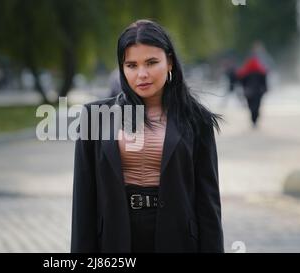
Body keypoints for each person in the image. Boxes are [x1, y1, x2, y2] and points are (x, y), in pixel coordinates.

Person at [71, 19, 224, 253]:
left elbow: (208, 203)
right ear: (121, 68)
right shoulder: (94, 116)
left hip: (178, 239)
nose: (141, 74)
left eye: (151, 62)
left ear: (169, 62)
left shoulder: (197, 120)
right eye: (131, 65)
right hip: (113, 239)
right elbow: (83, 202)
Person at [236, 49, 268, 128]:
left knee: (252, 107)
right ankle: (254, 120)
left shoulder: (246, 72)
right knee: (256, 107)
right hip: (257, 92)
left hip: (250, 92)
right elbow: (264, 82)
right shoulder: (260, 72)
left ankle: (253, 120)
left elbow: (241, 81)